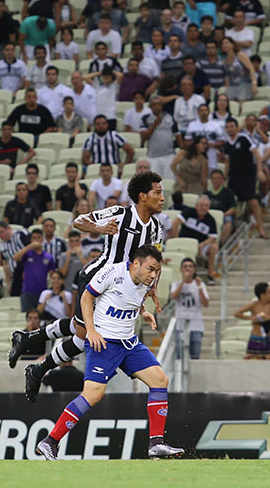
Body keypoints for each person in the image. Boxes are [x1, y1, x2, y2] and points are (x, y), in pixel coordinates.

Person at [11, 171, 165, 403]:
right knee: (84, 335)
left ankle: (31, 346)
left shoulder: (155, 227)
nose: (162, 198)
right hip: (97, 278)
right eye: (158, 193)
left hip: (120, 290)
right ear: (143, 196)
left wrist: (153, 287)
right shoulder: (120, 214)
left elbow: (156, 260)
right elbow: (79, 221)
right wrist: (100, 229)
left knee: (80, 330)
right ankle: (38, 365)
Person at [35, 245, 182, 460]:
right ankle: (50, 442)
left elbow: (132, 298)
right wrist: (91, 331)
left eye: (157, 271)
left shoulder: (145, 281)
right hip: (104, 343)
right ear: (136, 263)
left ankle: (156, 443)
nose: (154, 275)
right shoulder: (112, 273)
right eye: (151, 269)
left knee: (160, 381)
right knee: (93, 394)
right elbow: (86, 298)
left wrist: (144, 312)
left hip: (129, 343)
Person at [223, 118, 268, 239]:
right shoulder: (227, 143)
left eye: (232, 126)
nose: (230, 129)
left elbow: (257, 154)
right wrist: (225, 175)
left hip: (247, 175)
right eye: (228, 127)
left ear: (236, 127)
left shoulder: (244, 138)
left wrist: (259, 170)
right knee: (231, 204)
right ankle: (232, 231)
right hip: (233, 177)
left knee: (253, 201)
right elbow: (227, 161)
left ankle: (261, 229)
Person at [170, 195, 220, 283]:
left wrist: (202, 245)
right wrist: (176, 239)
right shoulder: (189, 212)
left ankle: (210, 275)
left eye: (206, 206)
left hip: (200, 245)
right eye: (201, 205)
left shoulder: (211, 220)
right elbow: (175, 223)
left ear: (209, 208)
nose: (203, 208)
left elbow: (212, 238)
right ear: (196, 205)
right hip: (183, 242)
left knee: (214, 247)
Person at [169, 258, 208, 360]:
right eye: (185, 266)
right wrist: (183, 282)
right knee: (179, 354)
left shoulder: (200, 284)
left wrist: (199, 287)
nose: (188, 269)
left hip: (196, 324)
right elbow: (173, 296)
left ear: (194, 270)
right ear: (181, 270)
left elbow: (206, 303)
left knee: (195, 354)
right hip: (180, 324)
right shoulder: (176, 284)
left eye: (190, 266)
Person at [234, 282, 270, 360]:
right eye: (268, 292)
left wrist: (267, 317)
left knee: (268, 359)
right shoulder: (254, 305)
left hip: (266, 337)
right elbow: (237, 313)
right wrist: (252, 318)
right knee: (251, 359)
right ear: (262, 295)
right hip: (255, 337)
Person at [15, 228, 57, 313]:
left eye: (38, 238)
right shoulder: (27, 254)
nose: (36, 240)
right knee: (27, 317)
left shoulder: (48, 257)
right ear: (31, 239)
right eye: (34, 238)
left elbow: (52, 273)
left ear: (42, 239)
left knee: (41, 318)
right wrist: (28, 247)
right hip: (27, 292)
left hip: (42, 292)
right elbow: (16, 257)